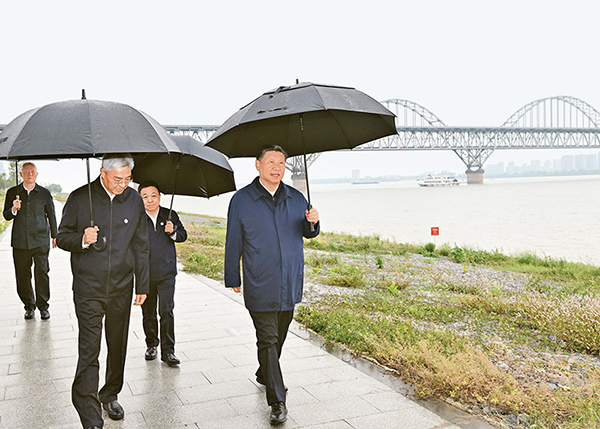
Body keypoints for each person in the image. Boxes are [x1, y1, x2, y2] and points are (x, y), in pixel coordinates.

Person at [224, 145, 320, 425]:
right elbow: (233, 240)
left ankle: (264, 372)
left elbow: (307, 232)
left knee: (279, 334)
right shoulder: (242, 200)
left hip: (289, 279)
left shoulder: (297, 197)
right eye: (271, 162)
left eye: (281, 162)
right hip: (259, 278)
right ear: (258, 165)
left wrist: (313, 222)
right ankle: (277, 400)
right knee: (267, 338)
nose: (277, 167)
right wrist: (233, 276)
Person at [56, 154, 149, 429]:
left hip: (122, 286)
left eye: (128, 179)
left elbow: (142, 244)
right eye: (117, 179)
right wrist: (82, 239)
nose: (123, 184)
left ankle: (110, 394)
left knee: (117, 344)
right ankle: (89, 413)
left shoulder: (134, 201)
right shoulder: (79, 197)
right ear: (103, 173)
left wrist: (142, 284)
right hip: (89, 287)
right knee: (89, 349)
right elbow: (61, 237)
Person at [138, 181, 187, 367]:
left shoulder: (170, 215)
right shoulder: (137, 217)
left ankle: (169, 351)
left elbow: (183, 235)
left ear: (159, 197)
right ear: (140, 199)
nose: (150, 200)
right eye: (145, 196)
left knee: (166, 311)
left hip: (167, 273)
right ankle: (151, 344)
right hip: (145, 273)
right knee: (148, 312)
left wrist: (173, 231)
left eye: (153, 195)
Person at [2, 162, 58, 320]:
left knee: (42, 273)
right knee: (22, 275)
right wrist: (13, 208)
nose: (29, 175)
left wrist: (55, 235)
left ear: (37, 174)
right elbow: (6, 215)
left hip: (40, 240)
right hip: (20, 242)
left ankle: (43, 306)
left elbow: (51, 215)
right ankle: (29, 306)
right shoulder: (13, 192)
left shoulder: (44, 193)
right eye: (26, 172)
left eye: (32, 172)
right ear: (21, 175)